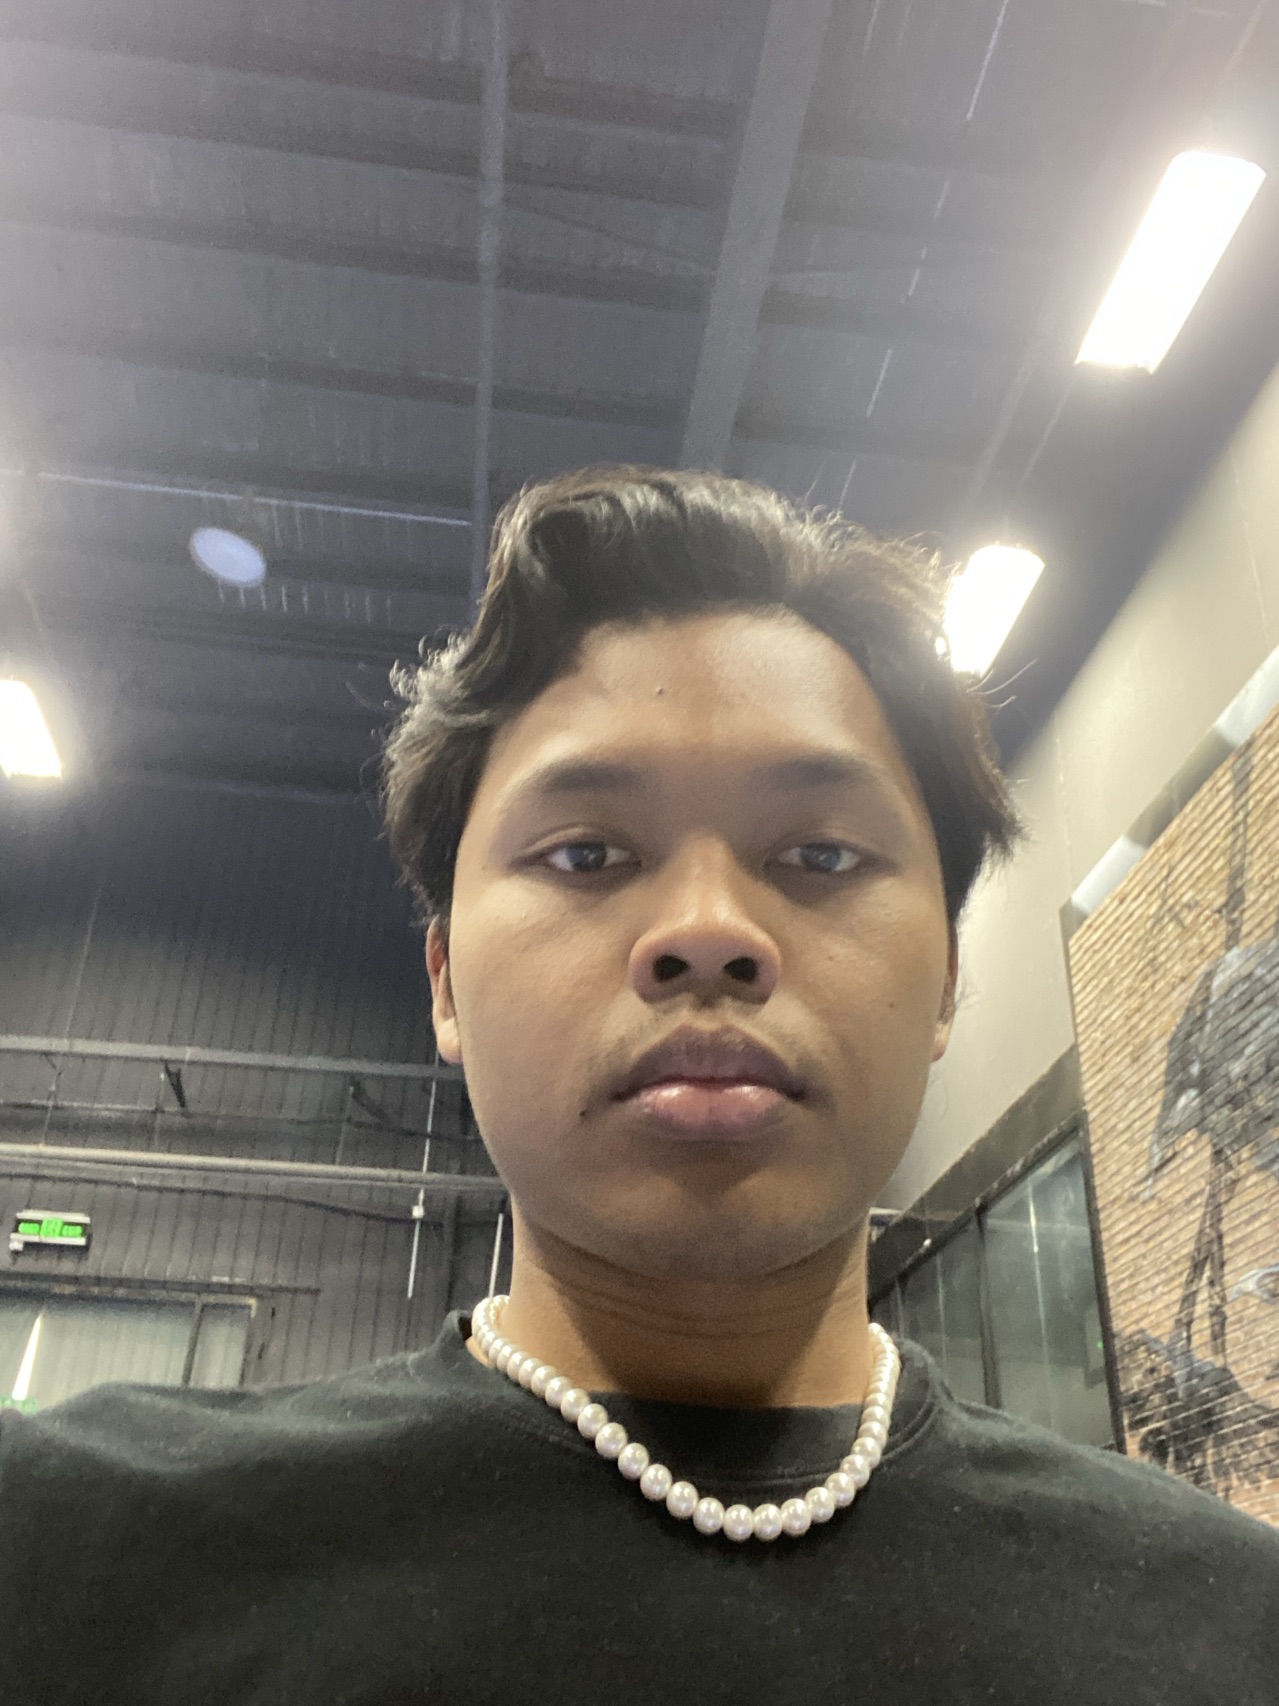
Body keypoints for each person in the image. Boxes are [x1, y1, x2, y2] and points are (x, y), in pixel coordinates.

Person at [2, 467, 1276, 1704]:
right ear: (445, 981)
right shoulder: (70, 1557)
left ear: (945, 978)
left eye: (820, 852)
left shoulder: (1228, 1623)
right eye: (586, 853)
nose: (708, 930)